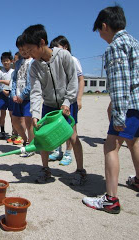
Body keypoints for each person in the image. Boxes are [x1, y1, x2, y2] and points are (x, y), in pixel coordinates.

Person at [82, 6, 139, 214]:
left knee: (111, 145)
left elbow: (120, 83)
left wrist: (118, 115)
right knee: (134, 140)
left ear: (104, 26)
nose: (101, 36)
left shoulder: (115, 46)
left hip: (129, 104)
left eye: (100, 31)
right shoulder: (136, 43)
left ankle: (110, 199)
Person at [21, 24, 86, 185]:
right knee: (42, 137)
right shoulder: (34, 66)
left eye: (31, 50)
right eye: (26, 51)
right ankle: (45, 169)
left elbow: (72, 80)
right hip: (49, 104)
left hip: (67, 103)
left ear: (42, 42)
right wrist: (35, 113)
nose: (29, 54)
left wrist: (67, 101)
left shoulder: (63, 56)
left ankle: (80, 170)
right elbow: (35, 91)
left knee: (72, 135)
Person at [48, 36, 85, 166]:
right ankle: (58, 151)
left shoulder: (73, 59)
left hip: (70, 100)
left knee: (70, 129)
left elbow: (80, 80)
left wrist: (79, 98)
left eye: (57, 47)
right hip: (58, 101)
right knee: (58, 128)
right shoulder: (53, 61)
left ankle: (69, 153)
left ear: (65, 47)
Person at [10, 35, 35, 157]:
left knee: (29, 123)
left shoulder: (34, 61)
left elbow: (32, 82)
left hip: (28, 98)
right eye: (20, 49)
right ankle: (25, 141)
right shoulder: (18, 62)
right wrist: (14, 94)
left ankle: (31, 146)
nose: (23, 51)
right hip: (17, 98)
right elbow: (14, 79)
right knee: (15, 121)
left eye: (25, 48)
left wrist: (23, 95)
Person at [0, 52, 15, 140]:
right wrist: (2, 91)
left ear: (11, 61)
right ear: (1, 62)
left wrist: (9, 92)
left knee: (12, 114)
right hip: (2, 95)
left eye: (7, 61)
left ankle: (14, 131)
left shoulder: (13, 71)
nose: (6, 62)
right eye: (4, 61)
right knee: (2, 114)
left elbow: (14, 83)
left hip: (11, 94)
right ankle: (2, 132)